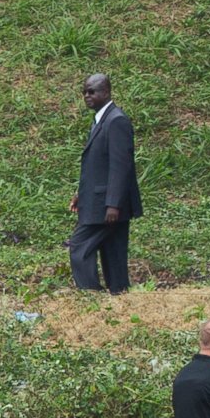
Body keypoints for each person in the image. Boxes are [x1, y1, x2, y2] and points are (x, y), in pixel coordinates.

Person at [71, 73, 141, 294]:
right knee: (114, 251)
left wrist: (113, 204)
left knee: (79, 246)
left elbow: (121, 166)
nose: (87, 96)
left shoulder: (116, 120)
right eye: (84, 92)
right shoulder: (102, 119)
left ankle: (91, 293)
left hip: (106, 204)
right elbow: (98, 166)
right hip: (101, 198)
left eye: (92, 91)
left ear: (107, 92)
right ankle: (119, 292)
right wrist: (81, 194)